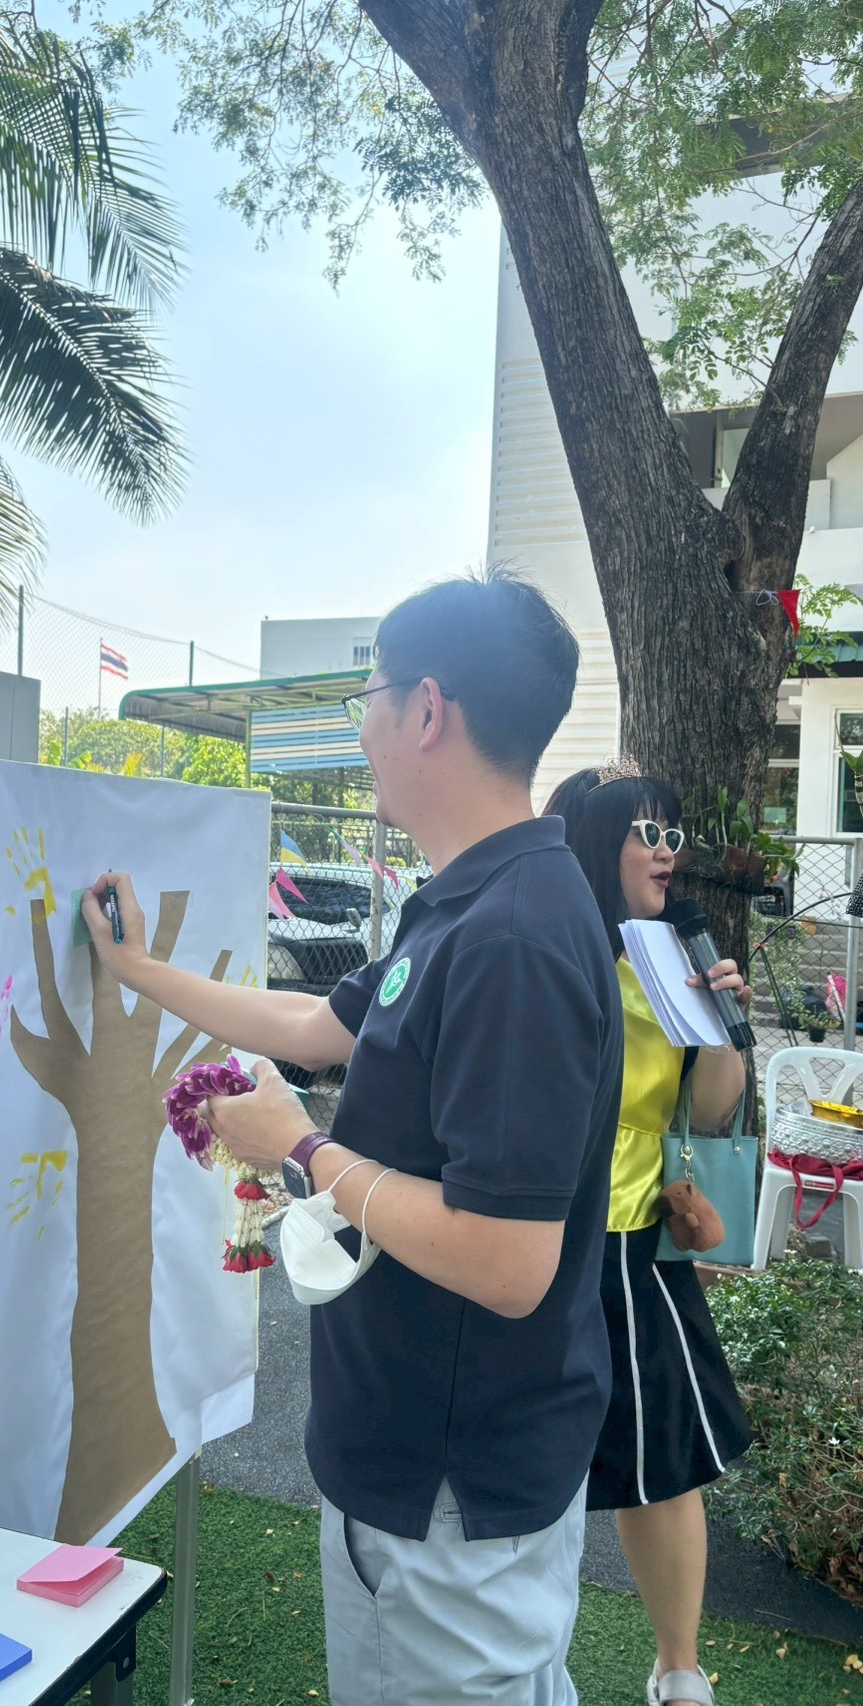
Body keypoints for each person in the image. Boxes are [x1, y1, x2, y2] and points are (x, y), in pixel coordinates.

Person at [82, 569, 624, 1706]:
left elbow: (509, 1259)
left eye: (366, 698)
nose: (359, 728)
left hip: (447, 1492)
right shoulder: (473, 898)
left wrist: (304, 1150)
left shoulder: (512, 934)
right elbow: (314, 1026)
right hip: (446, 1470)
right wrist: (138, 971)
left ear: (426, 710)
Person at [543, 767, 754, 1706]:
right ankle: (529, 1662)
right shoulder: (550, 948)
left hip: (636, 1243)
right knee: (533, 1461)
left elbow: (707, 1114)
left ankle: (679, 1669)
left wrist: (720, 1024)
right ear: (596, 842)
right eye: (647, 832)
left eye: (674, 834)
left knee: (661, 1463)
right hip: (538, 1241)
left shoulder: (674, 957)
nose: (669, 852)